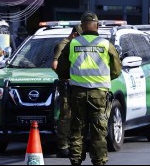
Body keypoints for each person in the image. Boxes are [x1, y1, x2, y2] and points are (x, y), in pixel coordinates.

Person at [56, 11, 122, 165]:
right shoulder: (105, 44)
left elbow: (62, 69)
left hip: (77, 93)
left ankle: (76, 161)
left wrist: (72, 76)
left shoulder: (73, 43)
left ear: (82, 26)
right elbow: (116, 70)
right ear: (97, 26)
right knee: (98, 131)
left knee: (77, 129)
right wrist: (104, 78)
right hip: (99, 94)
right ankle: (99, 162)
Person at [51, 24, 83, 158]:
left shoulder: (76, 46)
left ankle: (72, 144)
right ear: (75, 34)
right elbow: (54, 65)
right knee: (66, 115)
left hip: (76, 84)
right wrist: (65, 75)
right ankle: (63, 146)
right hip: (66, 83)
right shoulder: (63, 45)